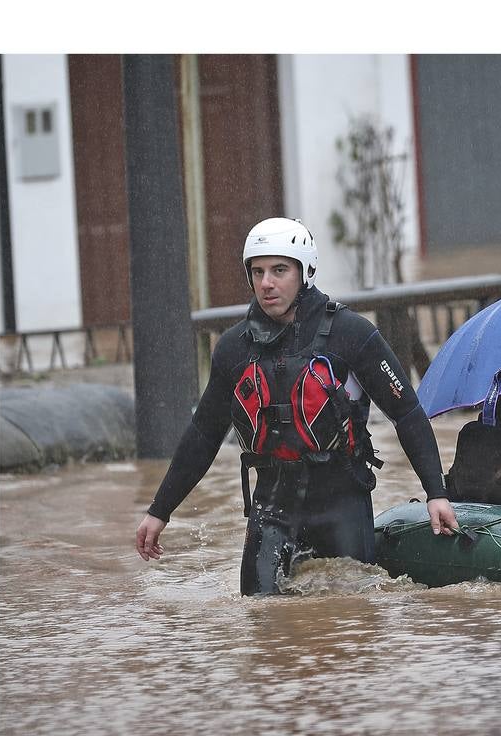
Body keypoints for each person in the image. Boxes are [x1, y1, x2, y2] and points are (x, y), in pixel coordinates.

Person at [134, 217, 458, 594]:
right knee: (262, 621)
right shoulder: (234, 348)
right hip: (272, 508)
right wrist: (160, 510)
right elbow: (204, 436)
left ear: (305, 272)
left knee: (350, 622)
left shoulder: (351, 334)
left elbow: (407, 413)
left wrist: (436, 493)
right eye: (257, 272)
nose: (267, 283)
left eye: (279, 270)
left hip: (342, 505)